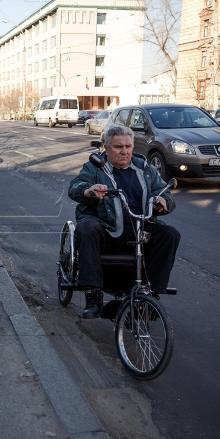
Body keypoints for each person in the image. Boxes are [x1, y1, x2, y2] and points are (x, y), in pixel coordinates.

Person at [68, 125, 180, 318]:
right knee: (86, 227)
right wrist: (89, 190)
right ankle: (93, 295)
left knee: (170, 234)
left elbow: (164, 191)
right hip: (107, 230)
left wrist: (162, 200)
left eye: (128, 146)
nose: (124, 151)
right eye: (118, 146)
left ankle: (149, 294)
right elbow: (76, 187)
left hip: (140, 230)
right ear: (107, 147)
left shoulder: (143, 168)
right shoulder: (95, 166)